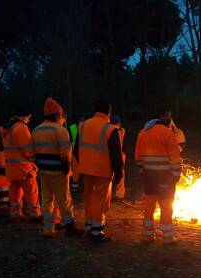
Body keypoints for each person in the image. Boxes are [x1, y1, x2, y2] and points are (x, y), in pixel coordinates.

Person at [31, 97, 83, 237]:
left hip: (43, 171)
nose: (62, 118)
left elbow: (32, 153)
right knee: (64, 199)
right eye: (61, 115)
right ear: (56, 115)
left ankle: (48, 229)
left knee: (46, 199)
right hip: (58, 171)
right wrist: (66, 168)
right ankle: (70, 227)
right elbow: (65, 153)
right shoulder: (60, 131)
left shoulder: (35, 130)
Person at [73, 100, 124, 243]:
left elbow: (76, 150)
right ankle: (96, 231)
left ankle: (89, 226)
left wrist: (84, 163)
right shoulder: (110, 129)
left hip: (86, 169)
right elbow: (116, 155)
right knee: (100, 201)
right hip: (103, 171)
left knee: (88, 198)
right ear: (108, 113)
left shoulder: (82, 126)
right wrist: (119, 173)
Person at [135, 107, 181, 244]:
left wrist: (142, 172)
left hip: (149, 177)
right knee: (166, 206)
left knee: (149, 206)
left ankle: (147, 234)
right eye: (168, 115)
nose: (170, 118)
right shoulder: (168, 133)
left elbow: (138, 157)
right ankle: (167, 237)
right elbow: (174, 157)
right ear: (161, 116)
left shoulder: (143, 132)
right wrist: (175, 175)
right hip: (164, 177)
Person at [0, 108, 41, 221]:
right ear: (23, 116)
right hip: (24, 168)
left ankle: (15, 213)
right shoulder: (21, 128)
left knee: (15, 191)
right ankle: (35, 214)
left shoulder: (5, 129)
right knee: (31, 191)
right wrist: (36, 161)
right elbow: (28, 150)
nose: (29, 120)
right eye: (28, 117)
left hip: (11, 169)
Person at [110, 114, 127, 200]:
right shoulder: (122, 130)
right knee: (120, 174)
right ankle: (119, 194)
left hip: (112, 155)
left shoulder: (110, 130)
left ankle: (111, 193)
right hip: (120, 155)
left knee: (110, 175)